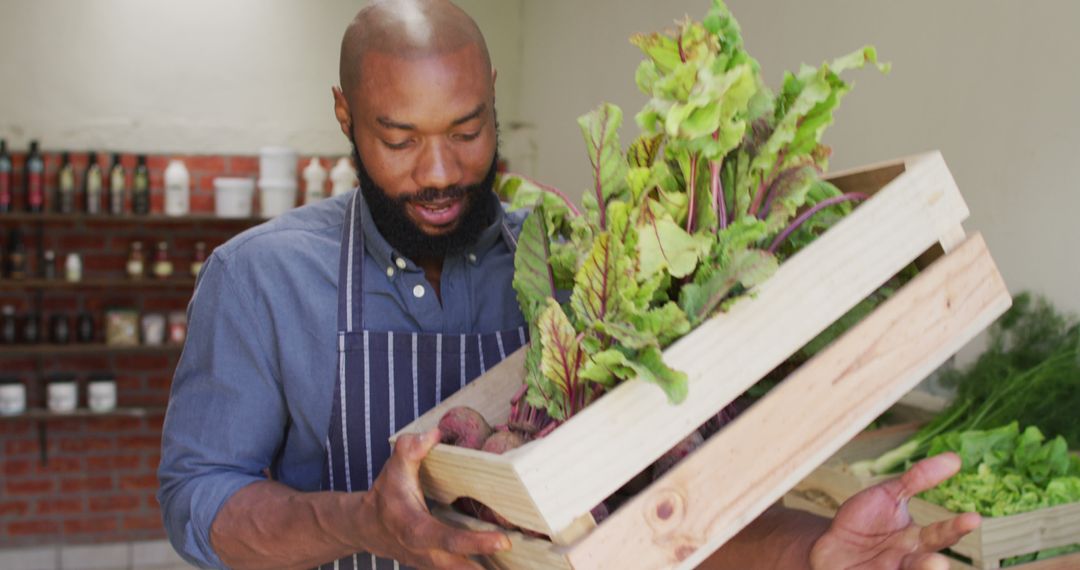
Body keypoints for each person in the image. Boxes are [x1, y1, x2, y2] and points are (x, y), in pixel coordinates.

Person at [157, 1, 981, 569]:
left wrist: (809, 551)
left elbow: (654, 512)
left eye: (468, 130)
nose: (440, 173)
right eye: (399, 138)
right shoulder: (259, 280)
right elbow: (199, 502)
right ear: (344, 113)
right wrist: (359, 523)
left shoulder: (574, 269)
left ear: (493, 106)